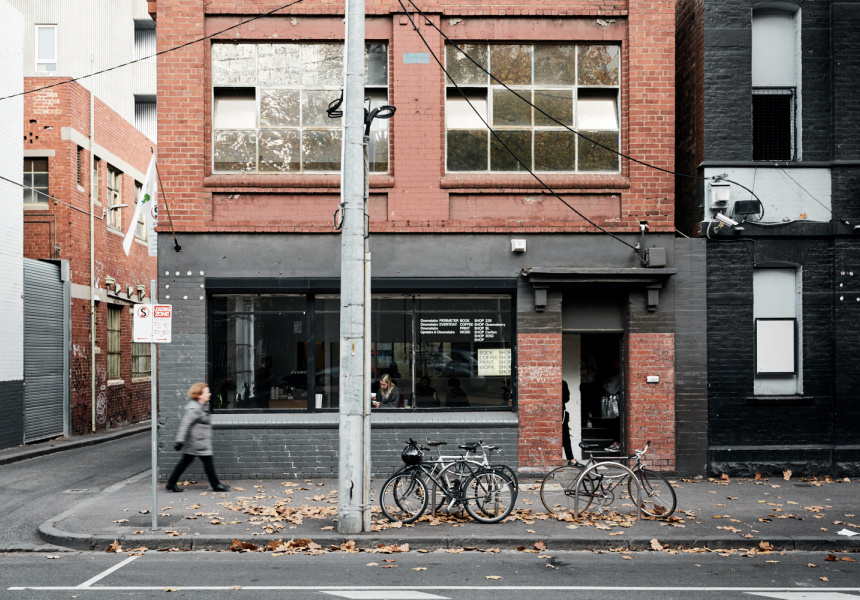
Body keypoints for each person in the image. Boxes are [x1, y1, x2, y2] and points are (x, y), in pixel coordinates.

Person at [166, 382, 230, 492]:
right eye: (207, 392)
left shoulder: (202, 406)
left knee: (185, 463)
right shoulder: (194, 408)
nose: (209, 394)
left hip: (199, 442)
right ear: (199, 395)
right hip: (197, 443)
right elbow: (185, 425)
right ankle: (216, 485)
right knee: (207, 462)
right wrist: (180, 441)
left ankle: (171, 483)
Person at [561, 380, 574, 464]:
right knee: (565, 435)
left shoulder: (563, 383)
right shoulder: (563, 383)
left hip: (559, 410)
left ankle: (570, 458)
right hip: (560, 410)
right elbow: (566, 398)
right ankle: (570, 459)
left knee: (565, 434)